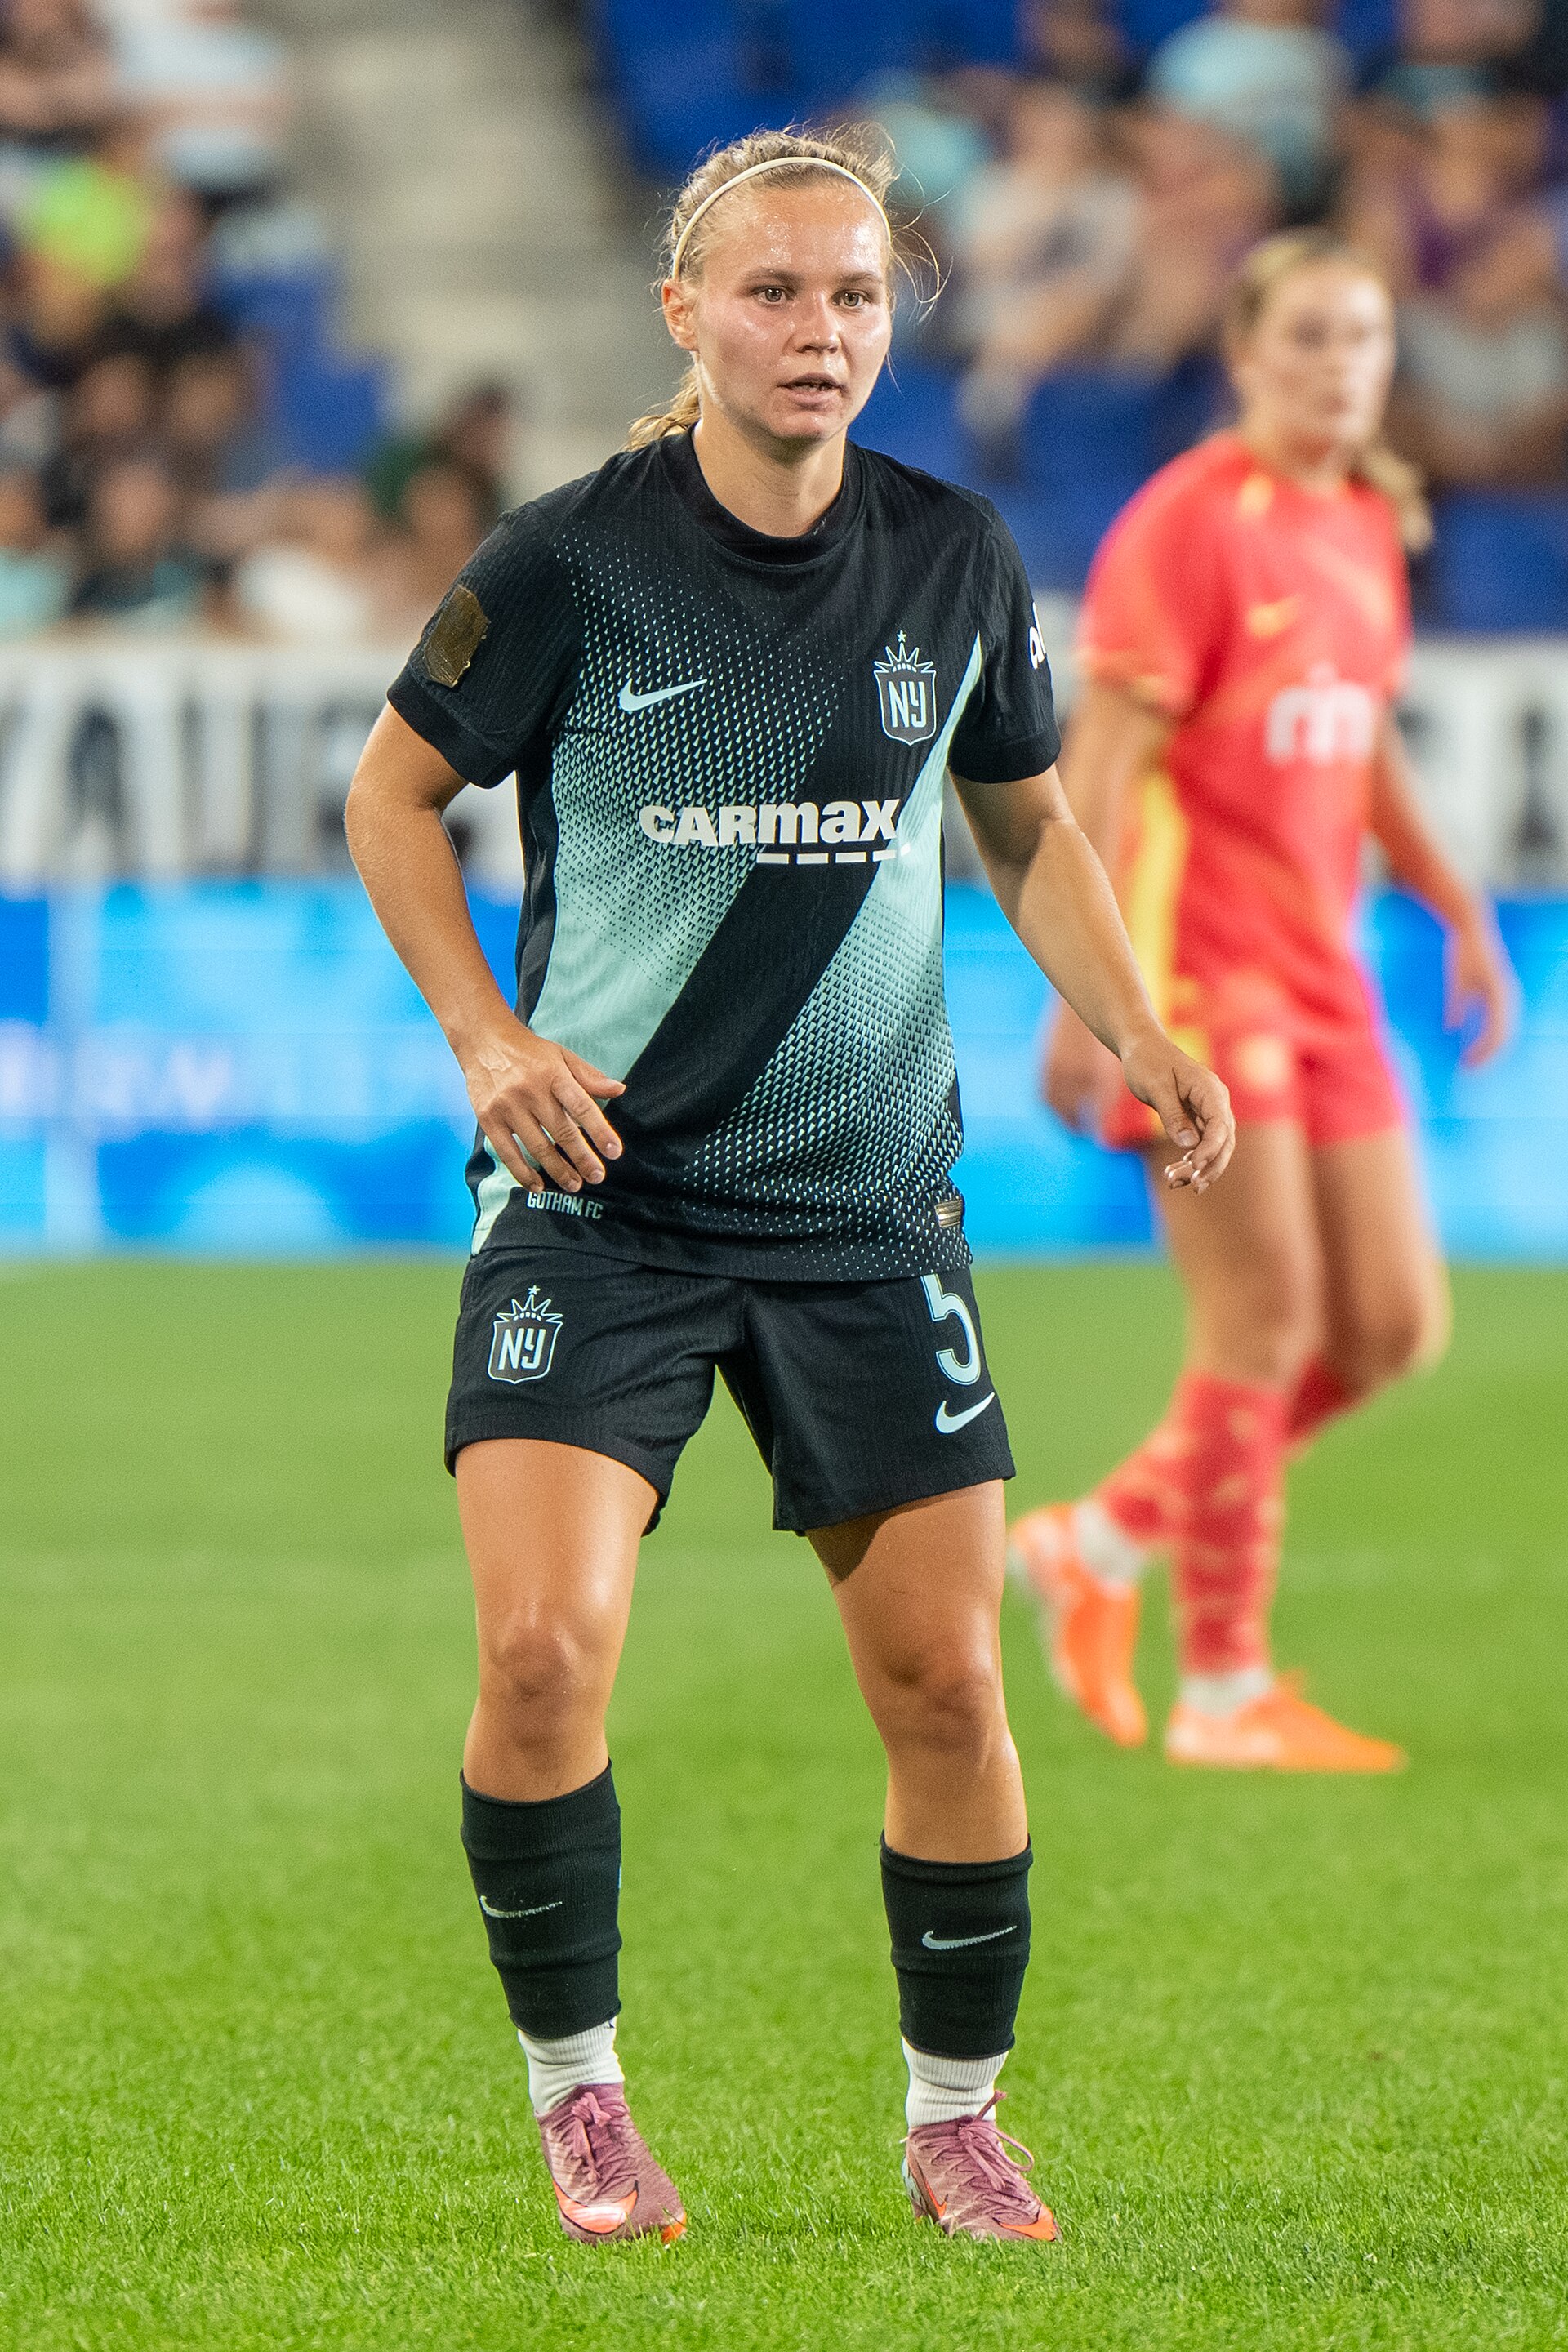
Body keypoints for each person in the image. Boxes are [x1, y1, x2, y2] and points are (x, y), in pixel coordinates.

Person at [344, 124, 1234, 2247]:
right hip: (602, 1205)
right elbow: (393, 801)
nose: (818, 329)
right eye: (773, 292)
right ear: (687, 315)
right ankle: (581, 2096)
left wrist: (1141, 1025)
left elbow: (1025, 828)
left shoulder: (953, 553)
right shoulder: (567, 563)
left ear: (887, 322)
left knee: (944, 1688)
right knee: (548, 1655)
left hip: (862, 1214)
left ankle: (954, 2114)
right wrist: (492, 1040)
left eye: (852, 294)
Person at [1011, 229, 1513, 1772]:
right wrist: (1086, 996)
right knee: (1263, 1318)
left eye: (1362, 340)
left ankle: (1102, 1539)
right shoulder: (1188, 524)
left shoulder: (1364, 517)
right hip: (1203, 968)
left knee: (1390, 1329)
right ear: (1243, 356)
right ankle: (1224, 1687)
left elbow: (1358, 740)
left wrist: (1458, 904)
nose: (1338, 366)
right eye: (1306, 338)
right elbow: (1100, 761)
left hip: (1327, 967)